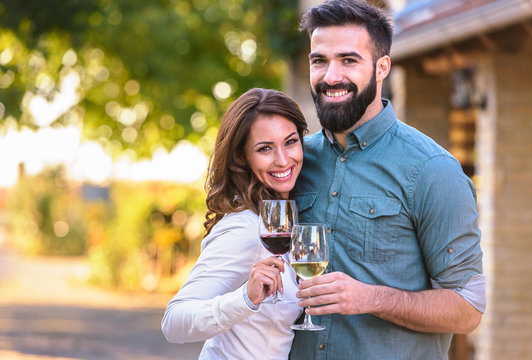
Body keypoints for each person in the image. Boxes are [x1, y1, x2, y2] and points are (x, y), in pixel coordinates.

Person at [289, 1, 486, 359]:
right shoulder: (296, 162)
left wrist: (370, 298)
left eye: (349, 60)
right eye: (320, 60)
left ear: (382, 68)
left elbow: (467, 308)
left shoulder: (432, 170)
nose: (331, 76)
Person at [161, 88, 307, 359]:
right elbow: (174, 322)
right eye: (265, 148)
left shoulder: (281, 220)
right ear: (242, 157)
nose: (283, 159)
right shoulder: (244, 226)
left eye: (290, 142)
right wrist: (245, 298)